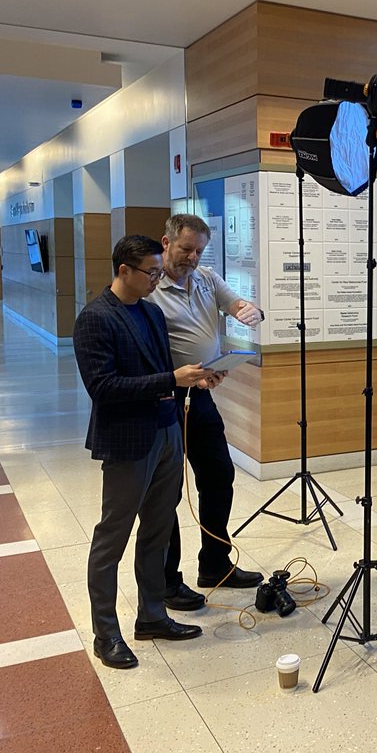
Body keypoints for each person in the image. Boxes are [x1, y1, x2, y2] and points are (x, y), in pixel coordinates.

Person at [73, 235, 211, 669]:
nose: (157, 279)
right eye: (150, 272)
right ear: (123, 270)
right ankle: (106, 634)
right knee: (112, 537)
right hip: (128, 441)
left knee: (158, 528)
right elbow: (104, 388)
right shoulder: (95, 319)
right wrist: (172, 378)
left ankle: (152, 616)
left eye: (157, 271)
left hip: (167, 432)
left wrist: (196, 380)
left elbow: (161, 373)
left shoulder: (151, 312)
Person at [146, 214, 265, 609]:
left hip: (201, 398)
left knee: (218, 476)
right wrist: (177, 378)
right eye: (186, 249)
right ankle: (167, 582)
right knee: (166, 492)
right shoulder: (149, 287)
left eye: (198, 250)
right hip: (163, 401)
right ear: (166, 242)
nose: (193, 257)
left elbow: (238, 305)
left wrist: (250, 311)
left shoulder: (206, 279)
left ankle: (215, 565)